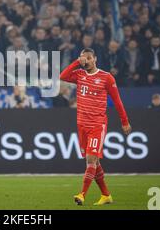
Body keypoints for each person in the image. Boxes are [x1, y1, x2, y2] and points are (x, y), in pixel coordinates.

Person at [60, 48, 131, 206]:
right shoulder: (79, 75)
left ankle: (82, 194)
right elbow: (62, 76)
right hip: (82, 125)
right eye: (84, 58)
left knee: (91, 160)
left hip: (97, 125)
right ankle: (106, 195)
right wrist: (77, 62)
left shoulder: (106, 78)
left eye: (89, 58)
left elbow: (118, 101)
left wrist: (124, 121)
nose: (87, 61)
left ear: (95, 59)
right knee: (94, 162)